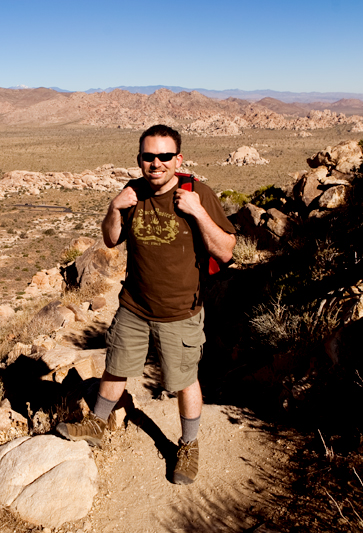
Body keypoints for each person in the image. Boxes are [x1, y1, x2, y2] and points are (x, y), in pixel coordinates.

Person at [56, 124, 236, 485]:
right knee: (116, 366)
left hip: (181, 310)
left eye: (165, 156)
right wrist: (113, 207)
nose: (156, 163)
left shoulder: (197, 193)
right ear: (139, 160)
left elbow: (226, 250)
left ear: (178, 159)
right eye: (149, 157)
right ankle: (97, 422)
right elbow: (110, 241)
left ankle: (188, 444)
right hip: (134, 306)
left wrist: (199, 213)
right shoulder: (132, 193)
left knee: (184, 381)